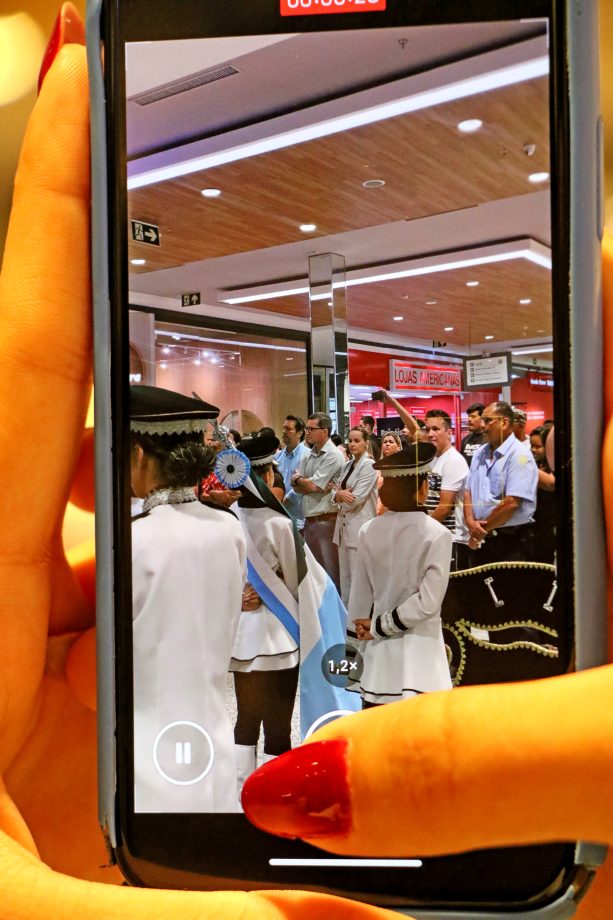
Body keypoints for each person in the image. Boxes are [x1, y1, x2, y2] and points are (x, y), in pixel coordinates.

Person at [4, 13, 613, 917]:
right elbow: (329, 576)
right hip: (272, 692)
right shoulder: (238, 525)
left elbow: (343, 578)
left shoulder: (211, 530)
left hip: (246, 713)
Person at [129, 385, 246, 813]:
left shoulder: (135, 538)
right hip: (212, 730)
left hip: (149, 743)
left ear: (139, 455)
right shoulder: (228, 528)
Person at [346, 443, 453, 708]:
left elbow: (358, 595)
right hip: (423, 665)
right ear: (422, 488)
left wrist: (357, 641)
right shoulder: (438, 534)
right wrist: (381, 626)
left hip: (378, 669)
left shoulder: (368, 530)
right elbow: (428, 603)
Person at [229, 436, 300, 786]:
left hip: (242, 636)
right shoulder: (280, 524)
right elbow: (295, 584)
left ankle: (241, 787)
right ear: (268, 476)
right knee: (278, 722)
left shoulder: (227, 520)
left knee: (245, 718)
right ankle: (276, 788)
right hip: (280, 638)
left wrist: (238, 596)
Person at [464, 401, 538, 565]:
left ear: (504, 422)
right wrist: (470, 522)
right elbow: (468, 490)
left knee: (507, 589)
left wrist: (481, 531)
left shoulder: (520, 455)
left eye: (488, 420)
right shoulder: (479, 454)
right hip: (482, 541)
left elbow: (511, 503)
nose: (483, 426)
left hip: (511, 543)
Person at [292, 412, 344, 589]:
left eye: (311, 429)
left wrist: (307, 482)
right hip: (309, 519)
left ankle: (335, 613)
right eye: (307, 428)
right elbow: (296, 484)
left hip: (326, 520)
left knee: (330, 572)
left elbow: (314, 486)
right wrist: (304, 482)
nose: (307, 432)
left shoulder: (333, 455)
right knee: (314, 572)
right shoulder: (308, 454)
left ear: (325, 431)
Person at [332, 427, 378, 606]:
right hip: (343, 529)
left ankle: (359, 622)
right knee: (346, 580)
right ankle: (347, 622)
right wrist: (338, 495)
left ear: (366, 443)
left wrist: (338, 496)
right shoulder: (347, 465)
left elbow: (355, 500)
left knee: (359, 581)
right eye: (350, 440)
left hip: (360, 527)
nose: (352, 444)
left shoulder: (370, 465)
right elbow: (333, 491)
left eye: (357, 440)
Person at [423, 409, 470, 567]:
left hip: (451, 538)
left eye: (436, 429)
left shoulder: (453, 461)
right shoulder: (433, 459)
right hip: (435, 535)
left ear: (449, 432)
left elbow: (444, 507)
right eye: (427, 429)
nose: (430, 434)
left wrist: (421, 530)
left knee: (451, 589)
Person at [276, 415, 310, 529]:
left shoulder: (308, 456)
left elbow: (306, 483)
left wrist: (286, 499)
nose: (284, 432)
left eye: (289, 429)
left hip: (299, 517)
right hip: (280, 514)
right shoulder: (277, 457)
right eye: (283, 428)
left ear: (299, 433)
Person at [530, 425, 556, 564]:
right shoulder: (537, 465)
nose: (534, 450)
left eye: (537, 446)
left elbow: (551, 484)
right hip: (535, 526)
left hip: (548, 525)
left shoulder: (551, 470)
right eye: (532, 446)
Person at [460, 402, 486, 466]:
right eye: (469, 416)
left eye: (473, 417)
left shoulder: (490, 439)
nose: (469, 419)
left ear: (482, 419)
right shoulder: (465, 439)